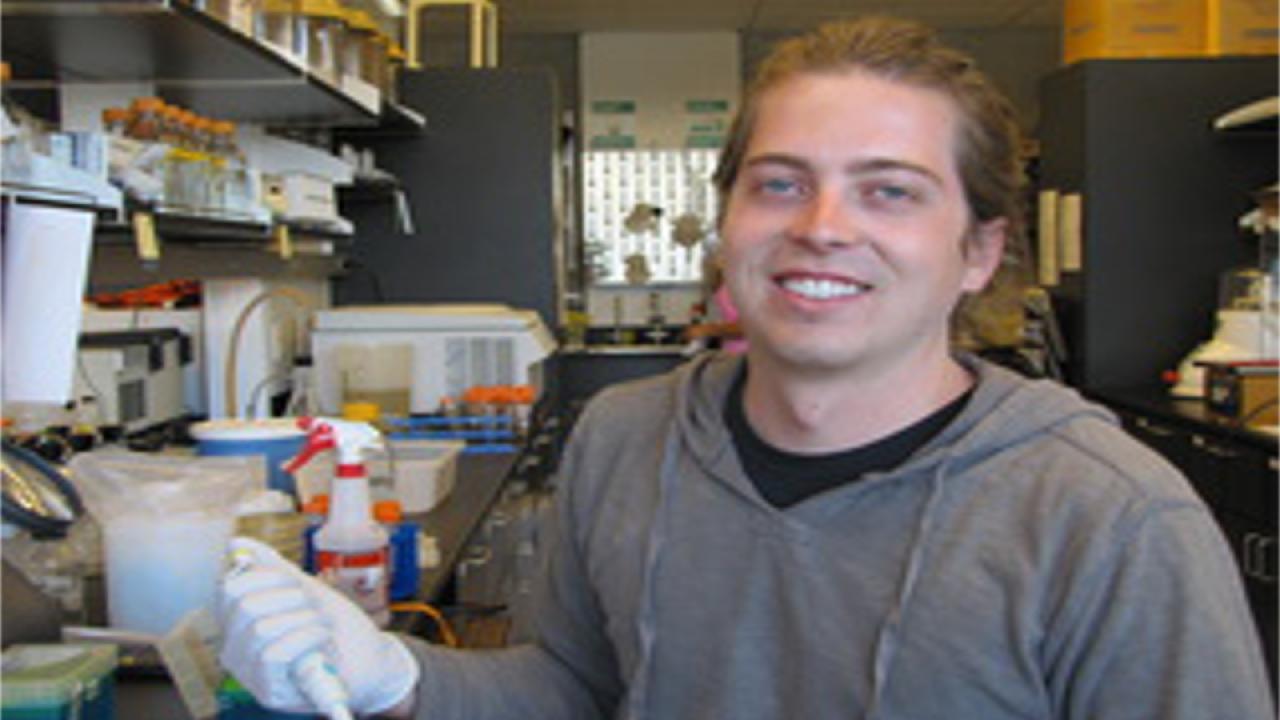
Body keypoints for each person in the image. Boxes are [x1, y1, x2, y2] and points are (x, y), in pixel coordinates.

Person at [219, 16, 1276, 719]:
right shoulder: (624, 439)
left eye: (888, 191)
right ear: (725, 220)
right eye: (779, 183)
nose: (821, 228)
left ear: (980, 250)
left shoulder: (1107, 519)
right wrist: (390, 673)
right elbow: (573, 689)